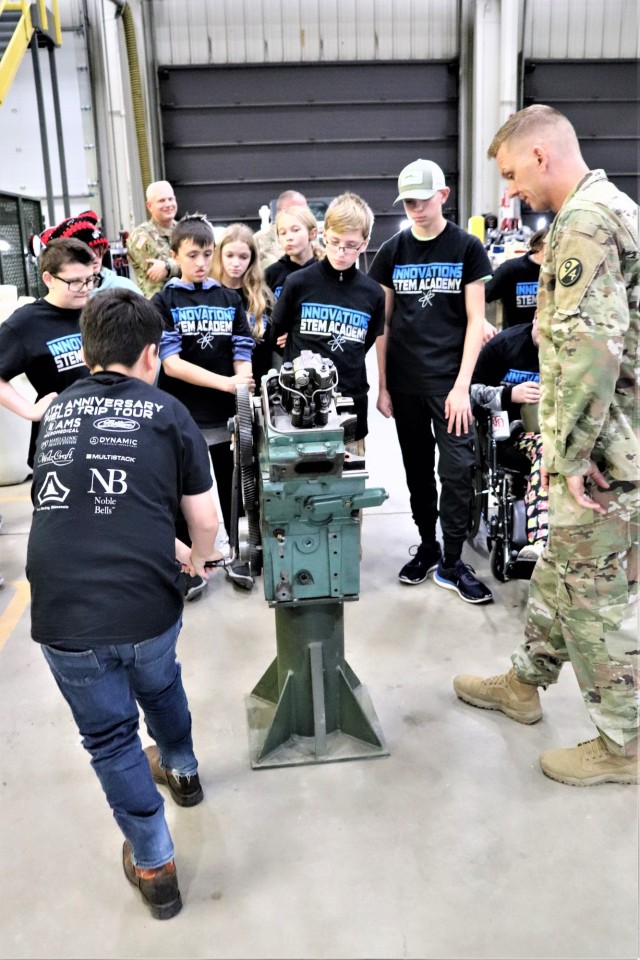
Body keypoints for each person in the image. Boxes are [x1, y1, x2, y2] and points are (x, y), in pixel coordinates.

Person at [453, 104, 638, 786]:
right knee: (563, 570)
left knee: (595, 597)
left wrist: (572, 456)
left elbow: (594, 346)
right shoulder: (598, 209)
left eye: (510, 174)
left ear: (540, 156)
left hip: (603, 459)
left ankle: (624, 743)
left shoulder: (588, 221)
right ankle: (525, 682)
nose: (511, 193)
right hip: (603, 445)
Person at [26, 290, 222, 918]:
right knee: (160, 687)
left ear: (86, 354)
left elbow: (78, 505)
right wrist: (195, 560)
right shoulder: (169, 413)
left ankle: (155, 861)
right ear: (150, 353)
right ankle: (184, 772)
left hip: (62, 610)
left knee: (110, 739)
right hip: (145, 606)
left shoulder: (55, 412)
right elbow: (207, 519)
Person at [368, 159, 494, 604]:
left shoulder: (467, 247)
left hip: (449, 384)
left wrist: (461, 387)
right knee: (418, 472)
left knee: (457, 470)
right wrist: (382, 386)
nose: (414, 210)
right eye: (407, 203)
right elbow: (381, 323)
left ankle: (454, 561)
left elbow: (477, 319)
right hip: (404, 383)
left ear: (443, 196)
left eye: (421, 201)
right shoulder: (392, 251)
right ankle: (427, 545)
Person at [152, 214, 255, 594]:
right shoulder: (164, 300)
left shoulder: (230, 299)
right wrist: (227, 383)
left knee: (236, 486)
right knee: (186, 492)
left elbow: (242, 354)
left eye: (207, 254)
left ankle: (236, 554)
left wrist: (240, 384)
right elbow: (172, 364)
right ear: (176, 253)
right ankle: (193, 562)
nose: (200, 262)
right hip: (184, 415)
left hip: (228, 415)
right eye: (192, 254)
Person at [271, 191, 385, 453]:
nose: (341, 252)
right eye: (334, 242)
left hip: (350, 404)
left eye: (350, 245)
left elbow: (363, 344)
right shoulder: (298, 283)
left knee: (348, 485)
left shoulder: (373, 294)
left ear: (365, 244)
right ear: (323, 234)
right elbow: (277, 338)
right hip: (300, 405)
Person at [0, 237, 95, 466]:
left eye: (90, 280)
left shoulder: (98, 311)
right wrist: (30, 410)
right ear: (49, 279)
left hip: (102, 434)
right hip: (59, 445)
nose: (85, 289)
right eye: (74, 282)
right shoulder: (27, 322)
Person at [471, 313, 547, 559]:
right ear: (536, 317)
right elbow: (471, 392)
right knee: (546, 450)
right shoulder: (504, 345)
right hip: (509, 429)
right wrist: (508, 395)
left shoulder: (570, 351)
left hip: (553, 430)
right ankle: (541, 539)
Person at [212, 223, 275, 387]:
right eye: (229, 255)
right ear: (219, 255)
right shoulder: (210, 294)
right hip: (220, 383)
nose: (236, 263)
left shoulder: (263, 296)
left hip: (259, 384)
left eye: (243, 257)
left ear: (252, 259)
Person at [38, 210, 141, 296]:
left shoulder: (125, 287)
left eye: (98, 249)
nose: (94, 256)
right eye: (86, 251)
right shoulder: (64, 297)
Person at [485, 226, 548, 328]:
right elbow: (482, 296)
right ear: (541, 244)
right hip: (516, 339)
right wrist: (482, 323)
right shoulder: (510, 270)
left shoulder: (560, 274)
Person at [127, 181, 180, 297]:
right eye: (161, 201)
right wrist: (172, 266)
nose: (168, 204)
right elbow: (156, 271)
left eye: (170, 199)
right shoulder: (141, 236)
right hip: (158, 306)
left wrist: (168, 266)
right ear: (149, 206)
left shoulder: (184, 230)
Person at [264, 204, 324, 302]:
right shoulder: (271, 274)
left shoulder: (327, 270)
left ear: (312, 233)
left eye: (295, 230)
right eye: (283, 233)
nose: (289, 237)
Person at [254, 189, 308, 270]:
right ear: (280, 212)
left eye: (305, 211)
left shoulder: (308, 236)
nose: (301, 215)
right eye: (294, 210)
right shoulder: (258, 240)